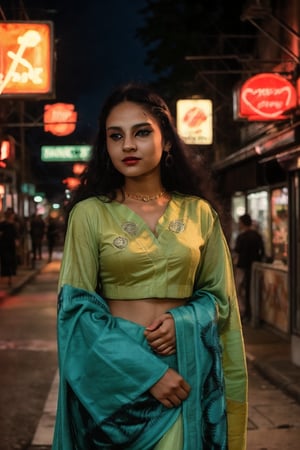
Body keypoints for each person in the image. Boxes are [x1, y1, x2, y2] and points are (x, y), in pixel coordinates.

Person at [53, 82, 248, 450]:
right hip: (118, 381)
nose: (127, 145)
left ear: (168, 139)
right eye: (116, 136)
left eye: (141, 132)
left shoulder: (199, 213)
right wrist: (147, 375)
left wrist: (184, 321)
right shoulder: (90, 214)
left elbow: (220, 299)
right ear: (105, 146)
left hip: (187, 373)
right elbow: (75, 312)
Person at [234, 213, 265, 322]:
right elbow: (262, 251)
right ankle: (251, 314)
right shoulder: (257, 236)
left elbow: (237, 251)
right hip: (254, 267)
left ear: (242, 223)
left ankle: (244, 313)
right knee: (251, 291)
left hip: (242, 267)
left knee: (240, 290)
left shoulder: (241, 237)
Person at [0, 209, 19, 285]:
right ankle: (8, 277)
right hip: (6, 244)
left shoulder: (8, 224)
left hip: (7, 244)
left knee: (8, 260)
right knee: (7, 260)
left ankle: (8, 277)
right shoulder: (11, 224)